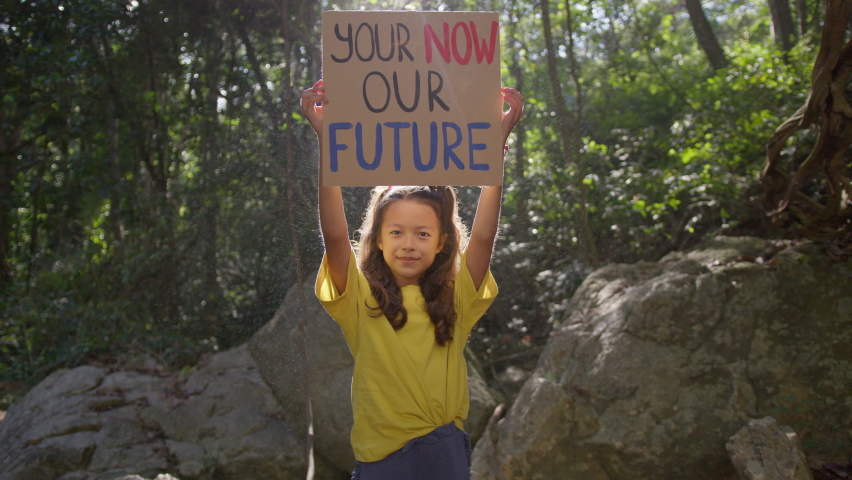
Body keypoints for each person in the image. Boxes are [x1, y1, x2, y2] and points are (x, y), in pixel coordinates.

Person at [301, 79, 523, 480]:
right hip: (381, 462)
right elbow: (335, 235)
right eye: (397, 232)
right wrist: (328, 144)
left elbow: (486, 236)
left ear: (441, 243)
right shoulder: (358, 298)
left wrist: (495, 150)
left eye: (422, 234)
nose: (409, 244)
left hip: (444, 458)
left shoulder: (457, 301)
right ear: (379, 240)